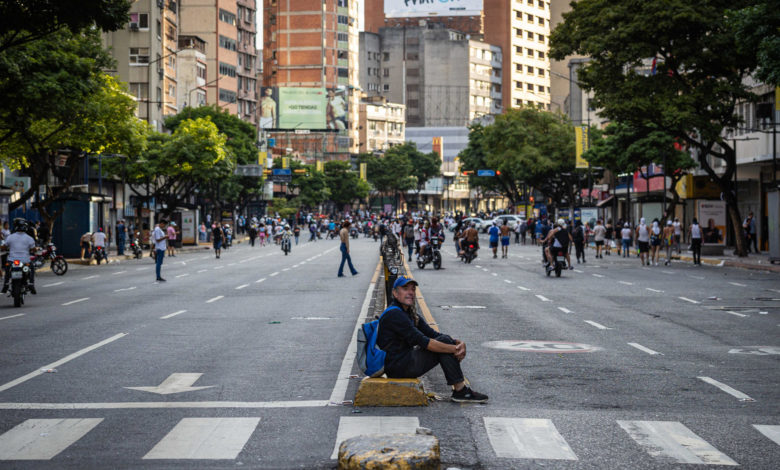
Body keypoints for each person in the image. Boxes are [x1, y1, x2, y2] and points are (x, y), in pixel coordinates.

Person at [377, 276, 488, 403]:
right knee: (444, 344)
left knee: (444, 340)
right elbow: (426, 342)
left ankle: (460, 391)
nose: (410, 293)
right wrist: (455, 349)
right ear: (395, 293)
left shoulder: (408, 313)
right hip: (397, 367)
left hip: (404, 361)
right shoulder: (395, 314)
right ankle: (460, 390)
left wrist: (459, 343)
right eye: (405, 289)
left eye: (413, 289)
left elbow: (433, 334)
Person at [2, 219, 38, 294]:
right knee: (31, 268)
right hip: (25, 261)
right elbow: (34, 249)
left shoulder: (10, 237)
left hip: (12, 260)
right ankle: (31, 284)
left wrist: (4, 248)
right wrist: (35, 249)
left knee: (7, 269)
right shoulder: (29, 238)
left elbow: (4, 247)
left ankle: (6, 284)